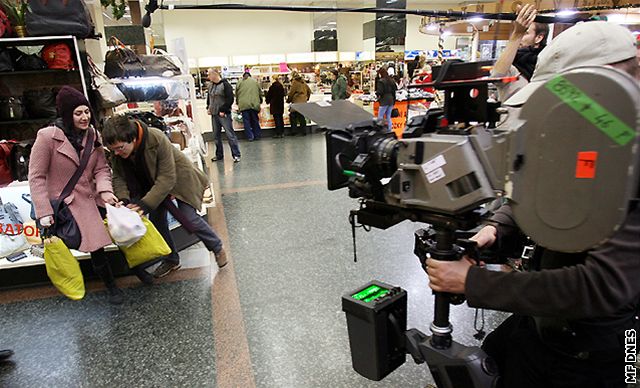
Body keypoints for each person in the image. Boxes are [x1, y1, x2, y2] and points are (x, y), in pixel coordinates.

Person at [426, 22, 640, 388]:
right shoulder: (589, 132)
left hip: (606, 347)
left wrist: (472, 281)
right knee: (495, 355)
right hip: (545, 321)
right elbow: (538, 189)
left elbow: (603, 285)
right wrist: (496, 227)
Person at [28, 86, 126, 304]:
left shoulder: (93, 135)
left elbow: (101, 168)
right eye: (78, 113)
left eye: (87, 112)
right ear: (66, 114)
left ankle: (123, 279)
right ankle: (85, 285)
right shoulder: (46, 137)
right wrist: (43, 211)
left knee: (119, 236)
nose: (85, 117)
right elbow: (36, 177)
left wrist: (106, 191)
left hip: (93, 199)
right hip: (67, 206)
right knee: (75, 249)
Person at [102, 114, 229, 278]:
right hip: (150, 185)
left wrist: (143, 205)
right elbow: (118, 177)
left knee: (189, 217)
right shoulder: (118, 151)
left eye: (120, 148)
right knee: (157, 222)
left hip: (179, 181)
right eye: (113, 150)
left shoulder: (155, 138)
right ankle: (171, 259)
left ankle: (217, 247)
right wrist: (124, 200)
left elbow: (167, 178)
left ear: (132, 138)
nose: (117, 153)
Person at [492, 4, 549, 101]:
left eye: (525, 32)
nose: (521, 37)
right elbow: (496, 77)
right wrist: (517, 33)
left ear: (539, 37)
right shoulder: (513, 65)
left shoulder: (548, 63)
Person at [207, 68, 241, 163]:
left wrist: (223, 110)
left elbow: (230, 99)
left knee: (230, 134)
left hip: (224, 114)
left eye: (209, 75)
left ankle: (236, 154)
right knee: (216, 135)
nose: (208, 77)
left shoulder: (226, 85)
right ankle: (219, 155)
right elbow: (209, 98)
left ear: (214, 75)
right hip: (214, 114)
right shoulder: (211, 86)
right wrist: (208, 107)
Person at [235, 71, 263, 141]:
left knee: (246, 121)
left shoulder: (239, 82)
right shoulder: (255, 82)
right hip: (254, 104)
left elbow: (236, 94)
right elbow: (260, 92)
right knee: (255, 120)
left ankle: (250, 136)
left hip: (244, 105)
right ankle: (257, 135)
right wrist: (260, 101)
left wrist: (238, 102)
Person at [286, 72, 312, 136]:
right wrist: (307, 98)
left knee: (292, 116)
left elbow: (291, 92)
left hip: (296, 102)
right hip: (303, 102)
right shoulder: (303, 82)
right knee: (301, 117)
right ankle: (304, 131)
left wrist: (288, 100)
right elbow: (309, 91)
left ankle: (294, 131)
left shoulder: (295, 82)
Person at [375, 68, 397, 133]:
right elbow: (395, 90)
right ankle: (389, 130)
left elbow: (380, 91)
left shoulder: (381, 81)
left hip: (384, 100)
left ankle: (380, 131)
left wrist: (377, 95)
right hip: (391, 99)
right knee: (388, 116)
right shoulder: (391, 80)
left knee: (380, 117)